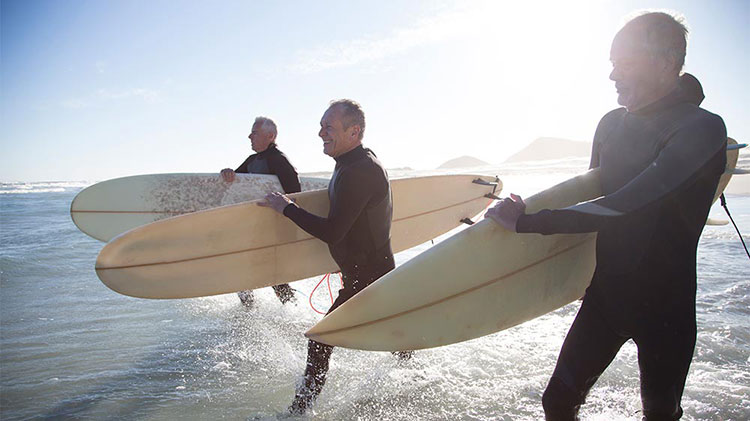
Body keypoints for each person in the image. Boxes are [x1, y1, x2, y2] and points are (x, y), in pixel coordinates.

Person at [485, 12, 727, 420]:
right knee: (557, 402)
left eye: (625, 62)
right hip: (606, 297)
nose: (612, 74)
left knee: (661, 414)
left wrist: (528, 221)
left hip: (666, 307)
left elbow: (628, 204)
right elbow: (593, 197)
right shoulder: (612, 124)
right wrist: (574, 275)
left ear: (667, 62)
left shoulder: (700, 128)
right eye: (612, 61)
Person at [259, 99, 411, 415]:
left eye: (328, 127)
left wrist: (286, 208)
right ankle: (412, 372)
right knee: (393, 332)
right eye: (321, 125)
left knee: (320, 339)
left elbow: (333, 232)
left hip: (370, 278)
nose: (320, 133)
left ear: (354, 131)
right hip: (367, 274)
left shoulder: (360, 171)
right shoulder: (352, 163)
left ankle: (299, 411)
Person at [221, 116, 301, 307]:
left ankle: (292, 309)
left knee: (273, 273)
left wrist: (289, 226)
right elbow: (236, 181)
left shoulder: (279, 160)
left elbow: (296, 193)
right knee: (245, 268)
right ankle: (249, 310)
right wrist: (228, 173)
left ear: (270, 136)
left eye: (254, 133)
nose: (249, 136)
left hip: (273, 226)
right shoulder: (252, 160)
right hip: (254, 226)